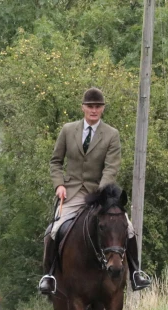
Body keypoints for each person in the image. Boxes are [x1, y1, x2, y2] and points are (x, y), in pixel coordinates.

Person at [38, 87, 151, 294]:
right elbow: (55, 161)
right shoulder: (67, 130)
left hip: (100, 193)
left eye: (98, 106)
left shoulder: (111, 134)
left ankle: (136, 273)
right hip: (71, 192)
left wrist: (101, 192)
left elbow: (111, 167)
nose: (93, 110)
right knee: (54, 230)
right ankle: (50, 276)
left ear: (102, 109)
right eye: (90, 106)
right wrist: (59, 184)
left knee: (129, 227)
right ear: (83, 107)